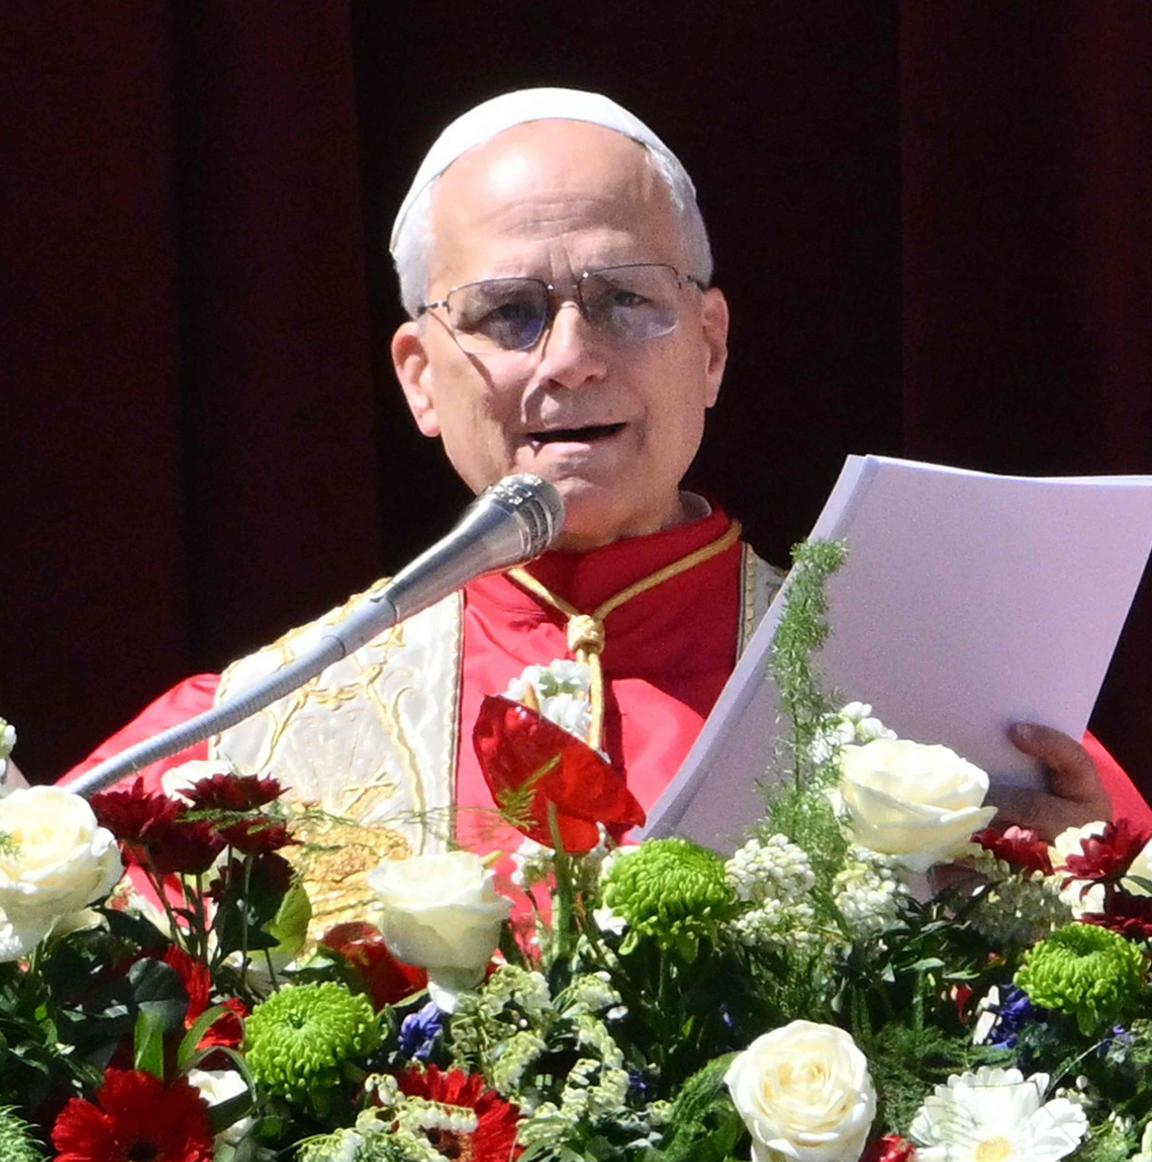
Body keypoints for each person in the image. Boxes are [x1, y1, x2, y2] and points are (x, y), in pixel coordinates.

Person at [61, 89, 1150, 924]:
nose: (572, 360)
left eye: (625, 299)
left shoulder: (938, 717)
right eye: (510, 313)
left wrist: (1073, 897)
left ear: (712, 347)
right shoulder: (251, 731)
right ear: (419, 378)